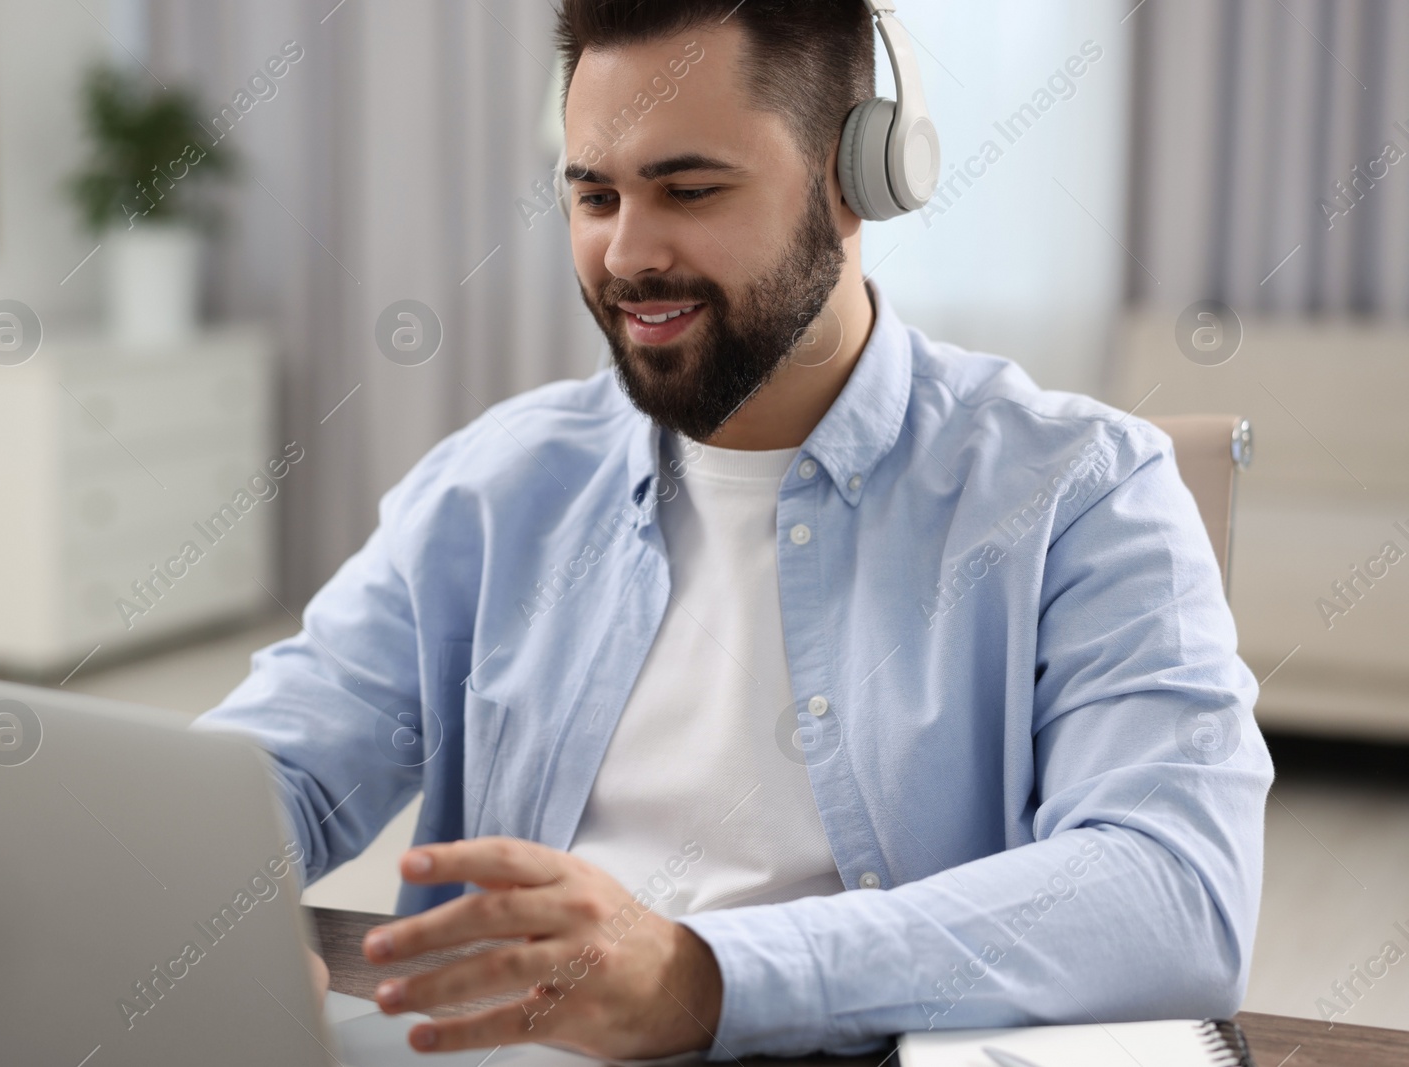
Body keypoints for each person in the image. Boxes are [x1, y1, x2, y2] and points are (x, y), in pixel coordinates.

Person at [193, 1, 1273, 1059]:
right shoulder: (495, 486)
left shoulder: (1080, 492)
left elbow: (1174, 887)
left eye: (689, 189)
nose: (625, 252)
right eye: (595, 194)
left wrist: (701, 976)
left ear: (860, 180)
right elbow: (263, 772)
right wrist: (210, 919)